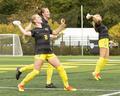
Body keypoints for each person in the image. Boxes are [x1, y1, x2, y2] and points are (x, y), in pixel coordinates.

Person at [14, 14, 77, 92]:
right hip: (40, 53)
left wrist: (62, 25)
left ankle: (67, 86)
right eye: (38, 17)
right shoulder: (35, 30)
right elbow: (25, 33)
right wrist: (19, 25)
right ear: (34, 21)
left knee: (60, 68)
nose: (40, 18)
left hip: (49, 52)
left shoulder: (46, 27)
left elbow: (55, 32)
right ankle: (21, 84)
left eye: (39, 17)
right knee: (36, 71)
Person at [86, 14, 109, 80]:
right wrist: (92, 16)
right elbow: (97, 20)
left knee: (106, 59)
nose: (100, 17)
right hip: (103, 40)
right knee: (102, 57)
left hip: (105, 40)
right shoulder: (97, 23)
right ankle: (95, 72)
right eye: (99, 16)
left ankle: (97, 72)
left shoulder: (100, 24)